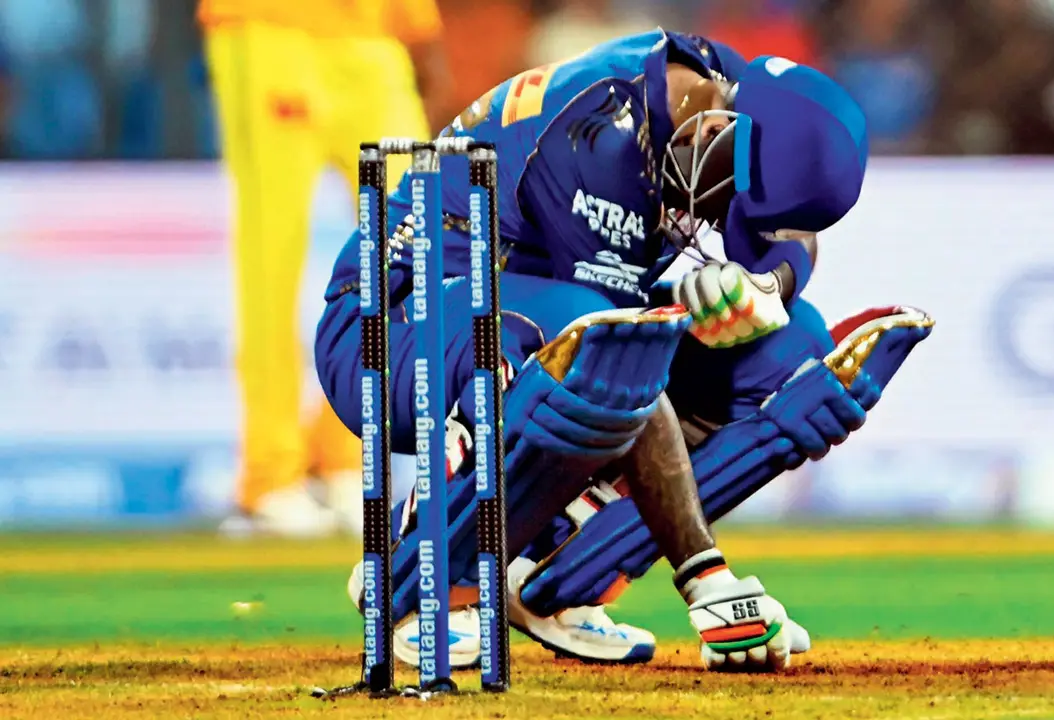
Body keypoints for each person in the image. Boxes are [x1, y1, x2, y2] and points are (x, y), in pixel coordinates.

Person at [315, 30, 932, 672]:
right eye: (728, 196)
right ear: (719, 131)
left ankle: (548, 576)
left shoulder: (724, 97)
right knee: (602, 350)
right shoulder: (601, 137)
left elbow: (786, 239)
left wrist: (763, 289)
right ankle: (422, 574)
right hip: (385, 330)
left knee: (786, 345)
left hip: (516, 308)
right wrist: (705, 575)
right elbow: (617, 351)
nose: (718, 221)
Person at [199, 0, 451, 536]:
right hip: (274, 27)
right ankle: (270, 473)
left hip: (374, 34)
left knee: (420, 232)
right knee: (272, 256)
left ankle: (338, 451)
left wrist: (417, 27)